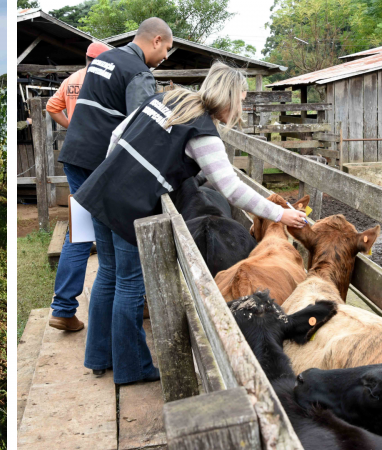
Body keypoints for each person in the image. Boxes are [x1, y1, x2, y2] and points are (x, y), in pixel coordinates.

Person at [73, 62, 308, 384]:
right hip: (128, 207)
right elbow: (230, 187)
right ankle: (131, 367)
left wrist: (116, 175)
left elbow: (116, 136)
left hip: (100, 191)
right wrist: (280, 213)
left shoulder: (168, 99)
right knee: (130, 284)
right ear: (229, 96)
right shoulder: (202, 131)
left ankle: (99, 356)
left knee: (109, 275)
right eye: (240, 99)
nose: (240, 107)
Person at [49, 17, 173, 332]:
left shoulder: (104, 59)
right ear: (156, 40)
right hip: (100, 162)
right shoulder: (139, 73)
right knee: (122, 240)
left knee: (81, 233)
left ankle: (63, 308)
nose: (166, 58)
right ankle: (133, 302)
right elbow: (143, 126)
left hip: (76, 156)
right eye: (167, 49)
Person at [45, 42, 112, 128]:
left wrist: (71, 127)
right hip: (99, 138)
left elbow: (51, 107)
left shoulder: (70, 80)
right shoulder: (106, 80)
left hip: (76, 138)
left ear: (86, 57)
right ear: (104, 60)